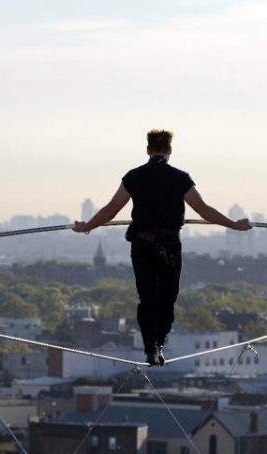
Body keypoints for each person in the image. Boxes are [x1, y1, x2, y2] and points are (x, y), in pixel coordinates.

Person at [72, 129, 252, 366]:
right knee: (167, 298)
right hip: (169, 244)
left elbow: (110, 210)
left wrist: (87, 226)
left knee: (147, 298)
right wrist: (234, 225)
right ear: (169, 150)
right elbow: (204, 210)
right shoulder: (179, 178)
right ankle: (158, 345)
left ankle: (150, 350)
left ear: (148, 150)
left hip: (142, 244)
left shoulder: (134, 177)